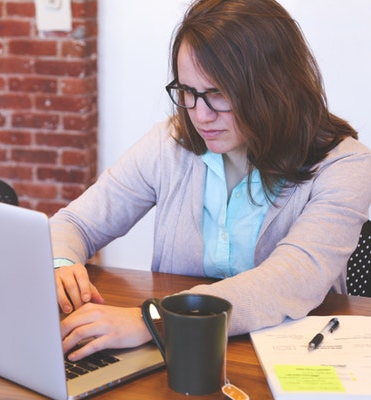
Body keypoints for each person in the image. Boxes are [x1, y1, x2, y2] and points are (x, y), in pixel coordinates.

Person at [50, 0, 371, 361]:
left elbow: (291, 281)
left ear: (274, 85)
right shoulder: (168, 144)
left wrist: (154, 320)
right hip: (180, 357)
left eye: (217, 93)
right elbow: (74, 222)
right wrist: (62, 263)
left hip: (294, 360)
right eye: (188, 91)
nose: (200, 115)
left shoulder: (345, 164)